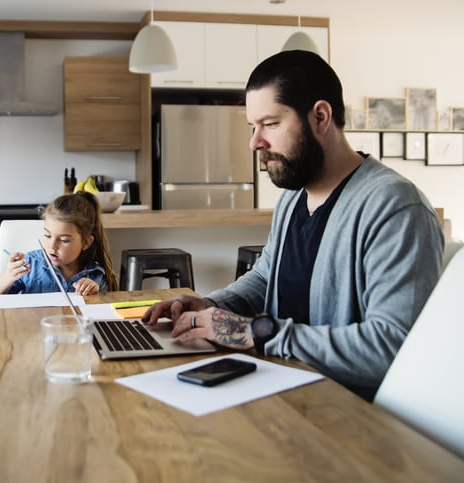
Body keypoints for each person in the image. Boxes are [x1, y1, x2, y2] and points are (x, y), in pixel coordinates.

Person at [143, 50, 444, 401]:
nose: (254, 142)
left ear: (320, 116)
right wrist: (209, 305)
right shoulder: (293, 197)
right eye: (252, 127)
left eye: (270, 124)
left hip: (348, 411)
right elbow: (265, 277)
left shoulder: (394, 206)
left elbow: (392, 347)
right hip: (281, 383)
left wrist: (256, 333)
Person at [0, 191, 118, 295]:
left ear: (86, 242)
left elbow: (102, 312)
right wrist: (8, 276)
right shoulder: (31, 263)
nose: (52, 247)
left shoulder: (95, 274)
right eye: (47, 235)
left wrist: (94, 295)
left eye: (64, 240)